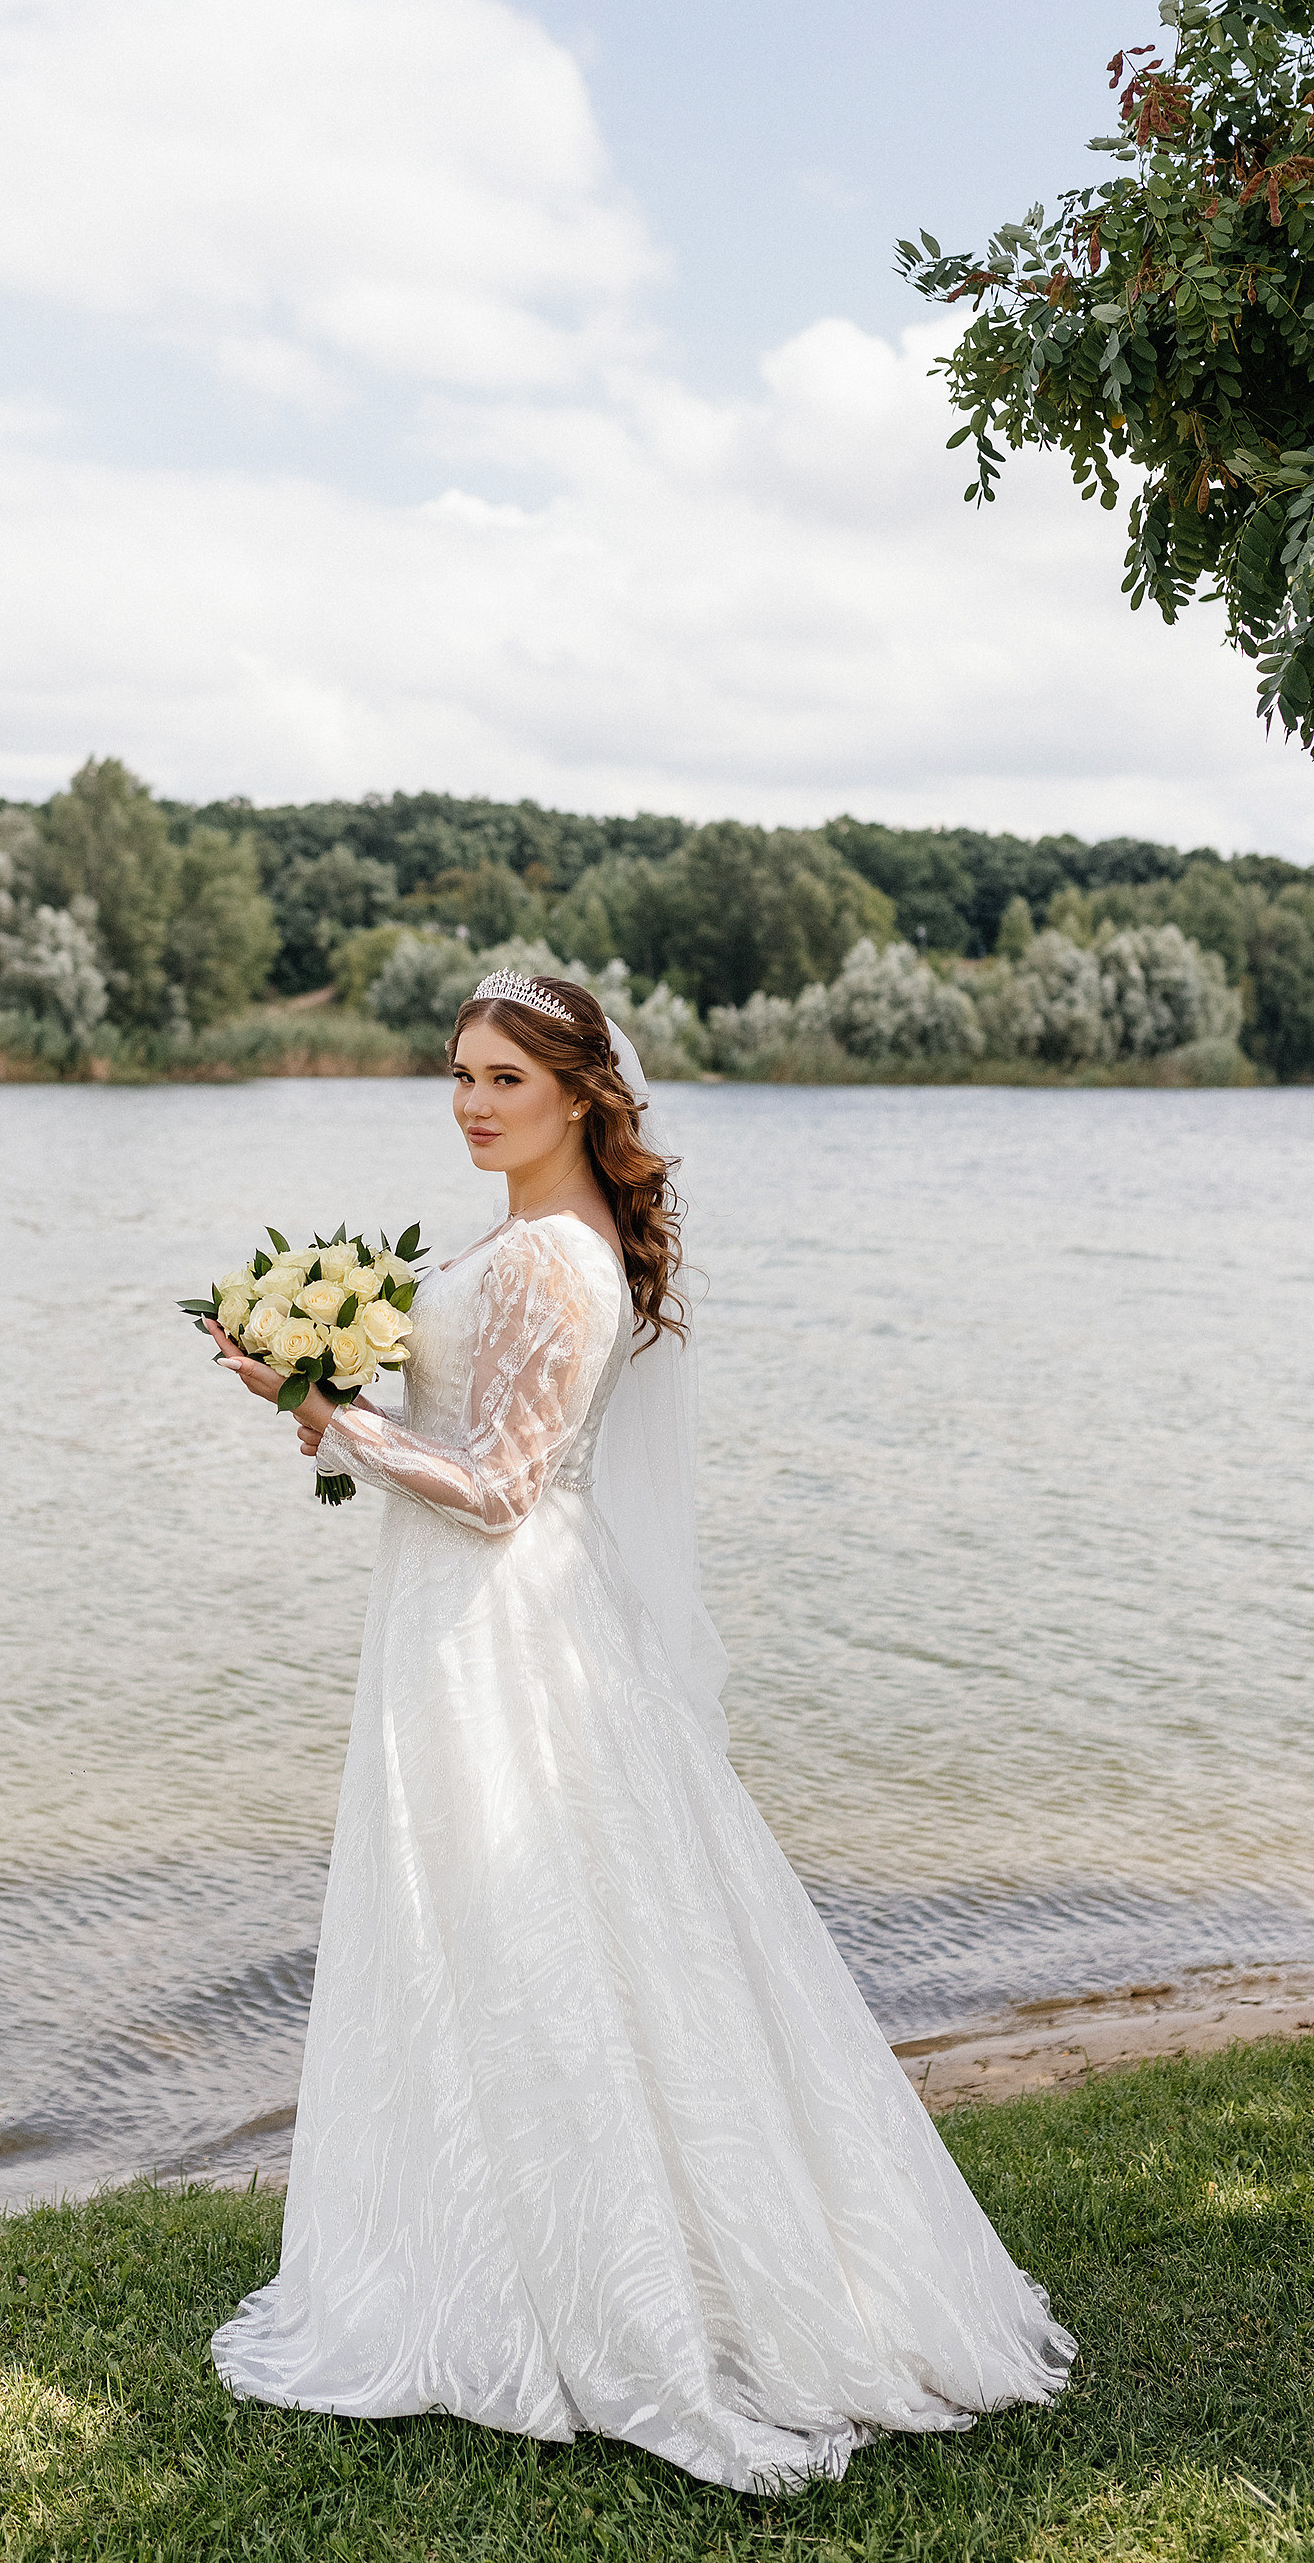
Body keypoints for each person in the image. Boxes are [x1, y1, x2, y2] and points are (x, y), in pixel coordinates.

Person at [204, 971, 1074, 2494]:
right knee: (475, 1930)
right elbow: (464, 1441)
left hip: (514, 1630)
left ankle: (608, 2284)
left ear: (580, 1097)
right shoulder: (515, 1237)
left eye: (505, 1082)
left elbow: (501, 1490)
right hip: (462, 1618)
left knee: (543, 1930)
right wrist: (340, 1393)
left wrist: (331, 1409)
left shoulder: (560, 1261)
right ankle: (474, 2240)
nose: (471, 1102)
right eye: (459, 1074)